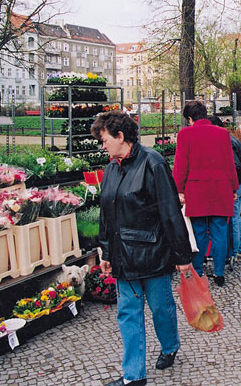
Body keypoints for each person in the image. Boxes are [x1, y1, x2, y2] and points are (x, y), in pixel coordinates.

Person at [92, 111, 193, 386]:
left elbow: (171, 212)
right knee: (128, 315)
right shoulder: (113, 168)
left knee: (161, 308)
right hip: (124, 258)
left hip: (153, 254)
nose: (103, 146)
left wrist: (183, 256)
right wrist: (107, 253)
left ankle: (170, 346)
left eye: (104, 140)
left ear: (120, 136)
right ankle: (134, 376)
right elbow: (106, 215)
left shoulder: (153, 164)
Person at [173, 101, 239, 286]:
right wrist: (233, 188)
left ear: (189, 118)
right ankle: (219, 273)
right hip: (221, 188)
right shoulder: (222, 133)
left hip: (196, 190)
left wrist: (178, 189)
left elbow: (180, 165)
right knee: (219, 232)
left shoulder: (185, 134)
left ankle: (198, 272)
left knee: (199, 233)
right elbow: (229, 163)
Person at [208, 116, 241, 261]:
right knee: (237, 217)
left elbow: (235, 166)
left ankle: (234, 252)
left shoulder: (227, 141)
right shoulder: (231, 138)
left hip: (236, 185)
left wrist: (229, 184)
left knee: (233, 219)